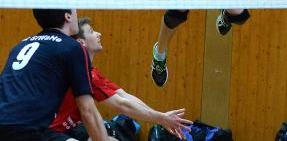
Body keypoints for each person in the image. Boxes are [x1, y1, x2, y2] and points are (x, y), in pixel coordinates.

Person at [43, 17, 191, 141]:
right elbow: (121, 105)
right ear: (82, 43)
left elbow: (123, 96)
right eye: (92, 31)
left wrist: (161, 116)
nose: (98, 34)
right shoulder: (81, 71)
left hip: (72, 126)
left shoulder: (91, 71)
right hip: (49, 131)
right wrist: (161, 118)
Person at [0, 0, 109, 141]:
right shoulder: (72, 48)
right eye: (74, 8)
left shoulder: (19, 46)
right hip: (26, 130)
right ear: (68, 16)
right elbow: (88, 110)